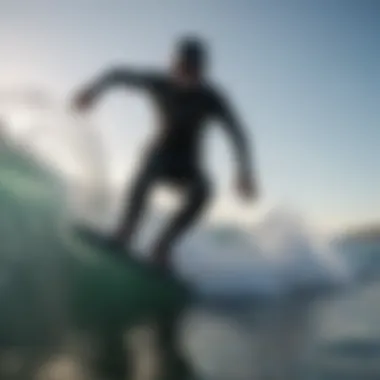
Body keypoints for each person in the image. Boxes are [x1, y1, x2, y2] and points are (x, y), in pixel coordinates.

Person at [73, 36, 259, 271]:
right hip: (158, 155)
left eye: (194, 70)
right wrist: (93, 91)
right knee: (149, 167)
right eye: (183, 68)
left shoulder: (211, 98)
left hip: (187, 165)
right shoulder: (159, 83)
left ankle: (162, 248)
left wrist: (245, 172)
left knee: (203, 190)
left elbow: (237, 132)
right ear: (174, 65)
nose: (188, 75)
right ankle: (124, 234)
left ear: (203, 71)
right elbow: (117, 74)